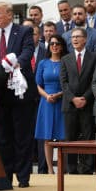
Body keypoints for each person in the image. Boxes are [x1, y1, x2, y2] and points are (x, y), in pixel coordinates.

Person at [0, 0, 36, 188]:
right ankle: (4, 177)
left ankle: (23, 177)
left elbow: (28, 51)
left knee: (22, 136)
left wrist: (16, 64)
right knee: (2, 137)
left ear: (9, 15)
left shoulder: (23, 31)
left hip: (19, 90)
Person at [61, 28, 96, 173]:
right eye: (72, 37)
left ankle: (87, 168)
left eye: (78, 37)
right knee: (70, 138)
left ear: (85, 39)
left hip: (87, 104)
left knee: (88, 137)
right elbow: (63, 82)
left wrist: (85, 98)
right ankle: (71, 169)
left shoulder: (94, 57)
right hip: (70, 105)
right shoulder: (66, 59)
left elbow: (94, 80)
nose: (74, 39)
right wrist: (73, 99)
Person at [35, 36, 66, 174]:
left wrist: (58, 95)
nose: (54, 46)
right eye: (52, 43)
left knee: (61, 136)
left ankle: (61, 168)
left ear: (62, 46)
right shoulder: (43, 63)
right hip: (46, 101)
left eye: (57, 43)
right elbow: (37, 85)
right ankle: (49, 169)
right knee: (47, 136)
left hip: (61, 100)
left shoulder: (66, 62)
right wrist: (47, 96)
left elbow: (69, 84)